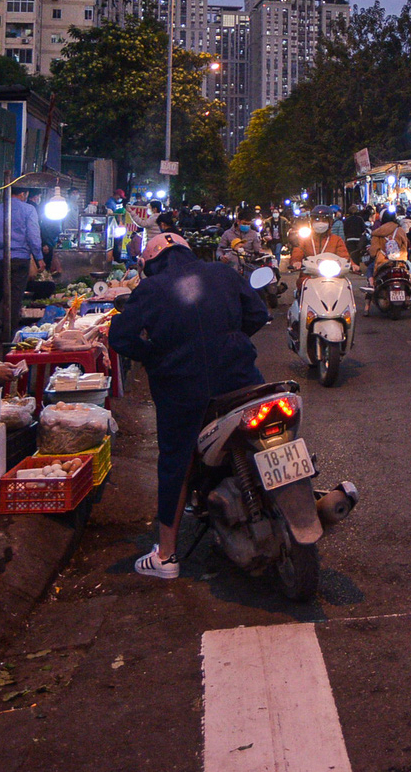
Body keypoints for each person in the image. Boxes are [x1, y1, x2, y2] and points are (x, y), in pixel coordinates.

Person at [108, 232, 269, 581]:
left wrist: (158, 357)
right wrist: (228, 340)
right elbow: (258, 312)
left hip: (183, 390)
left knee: (175, 463)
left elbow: (119, 338)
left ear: (150, 263)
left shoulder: (150, 289)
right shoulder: (224, 273)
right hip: (242, 379)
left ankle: (166, 556)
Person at [0, 186, 43, 342]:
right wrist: (39, 258)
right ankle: (8, 336)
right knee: (15, 298)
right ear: (24, 194)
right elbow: (33, 235)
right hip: (20, 260)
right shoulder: (29, 210)